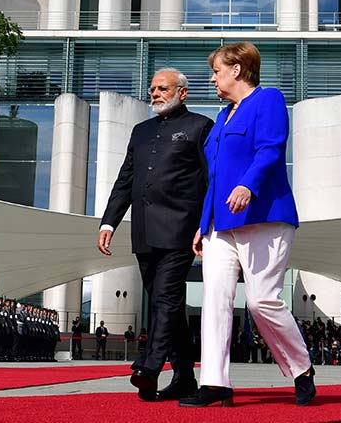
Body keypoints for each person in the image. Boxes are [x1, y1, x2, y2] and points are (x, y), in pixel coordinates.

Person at [180, 42, 315, 408]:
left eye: (218, 71)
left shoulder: (268, 99)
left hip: (263, 215)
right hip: (220, 225)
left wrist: (248, 184)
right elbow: (214, 176)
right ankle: (214, 383)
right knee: (215, 300)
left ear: (238, 69)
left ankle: (301, 369)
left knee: (260, 301)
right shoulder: (222, 118)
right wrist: (202, 223)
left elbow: (271, 148)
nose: (213, 78)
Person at [97, 67, 213, 401]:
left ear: (182, 92)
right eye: (152, 89)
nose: (155, 94)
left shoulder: (200, 127)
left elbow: (211, 181)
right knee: (169, 306)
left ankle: (149, 365)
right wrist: (109, 222)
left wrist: (205, 225)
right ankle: (184, 376)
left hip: (180, 229)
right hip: (144, 231)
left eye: (162, 88)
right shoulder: (141, 130)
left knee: (166, 297)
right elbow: (125, 179)